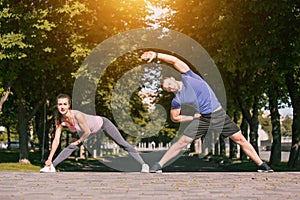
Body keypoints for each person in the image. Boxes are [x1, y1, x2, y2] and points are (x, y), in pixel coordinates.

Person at [141, 51, 273, 173]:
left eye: (168, 84)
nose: (169, 87)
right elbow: (175, 117)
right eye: (167, 89)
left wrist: (156, 54)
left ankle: (262, 165)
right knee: (181, 142)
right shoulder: (177, 99)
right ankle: (158, 166)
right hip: (203, 118)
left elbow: (174, 61)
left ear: (172, 78)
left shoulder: (189, 76)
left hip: (218, 115)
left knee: (240, 139)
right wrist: (192, 118)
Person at [40, 93, 149, 173]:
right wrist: (49, 158)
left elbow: (87, 132)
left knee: (122, 144)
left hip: (102, 124)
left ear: (69, 105)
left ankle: (144, 165)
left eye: (65, 104)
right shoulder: (59, 119)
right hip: (88, 131)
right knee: (71, 146)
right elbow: (56, 140)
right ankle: (51, 166)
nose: (62, 107)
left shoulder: (77, 116)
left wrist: (78, 140)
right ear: (57, 106)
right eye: (60, 104)